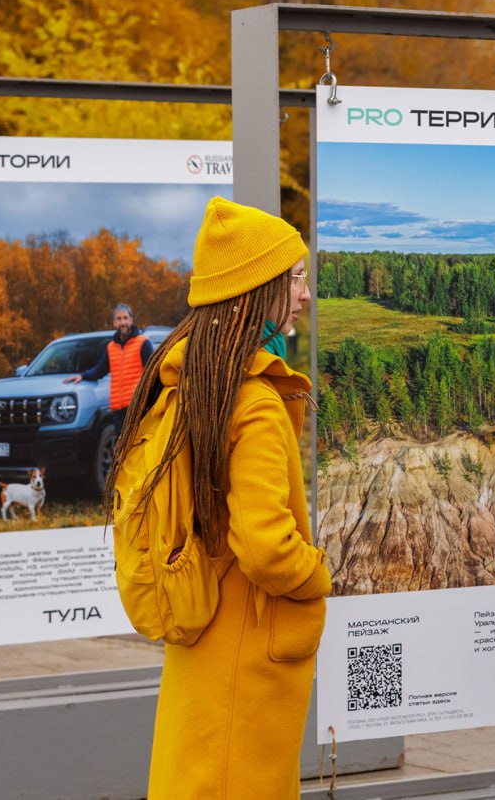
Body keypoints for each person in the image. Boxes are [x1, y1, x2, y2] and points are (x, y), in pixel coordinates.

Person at [106, 197, 328, 799]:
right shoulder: (252, 401)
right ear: (261, 287)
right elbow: (265, 546)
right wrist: (318, 573)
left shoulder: (197, 382)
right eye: (298, 278)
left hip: (206, 650)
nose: (305, 294)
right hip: (245, 662)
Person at [63, 303, 154, 430]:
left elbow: (153, 373)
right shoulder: (111, 347)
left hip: (137, 407)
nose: (123, 322)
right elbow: (99, 370)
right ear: (114, 323)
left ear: (131, 320)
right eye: (119, 319)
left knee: (139, 447)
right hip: (118, 410)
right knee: (122, 448)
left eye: (125, 318)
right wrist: (82, 376)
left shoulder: (143, 343)